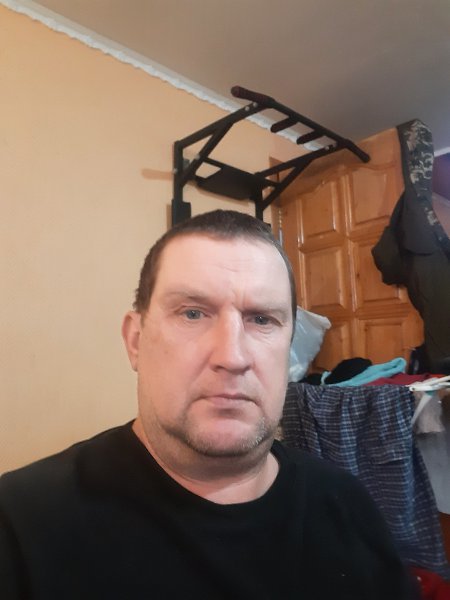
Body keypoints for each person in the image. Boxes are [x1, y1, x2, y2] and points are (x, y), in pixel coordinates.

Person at [0, 210, 417, 599]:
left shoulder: (347, 504)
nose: (232, 357)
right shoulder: (20, 522)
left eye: (262, 319)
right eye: (193, 314)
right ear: (136, 341)